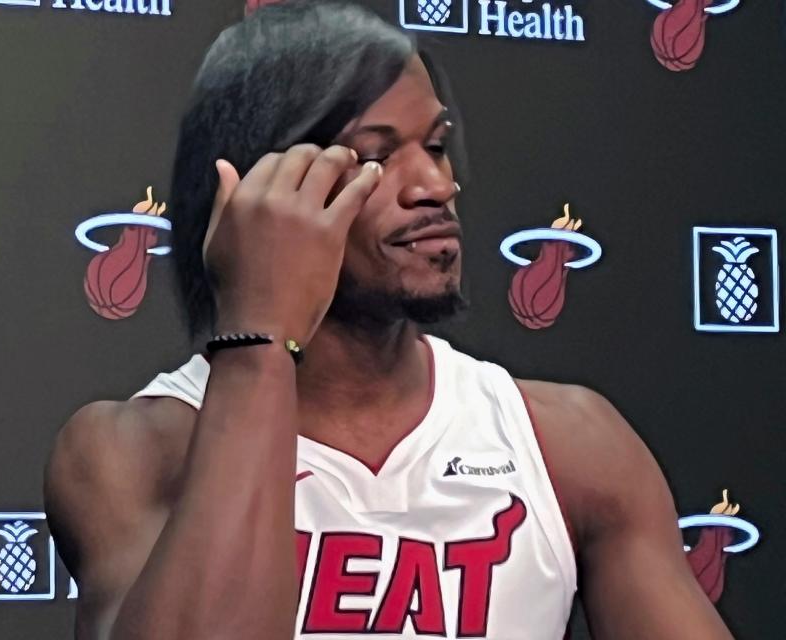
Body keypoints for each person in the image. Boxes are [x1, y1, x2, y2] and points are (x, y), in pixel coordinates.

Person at [43, 2, 735, 638]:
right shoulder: (129, 451)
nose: (437, 187)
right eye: (374, 156)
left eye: (434, 146)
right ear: (257, 189)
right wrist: (256, 336)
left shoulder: (568, 445)